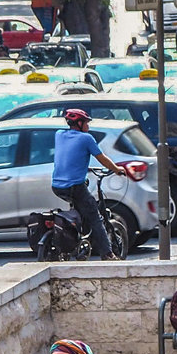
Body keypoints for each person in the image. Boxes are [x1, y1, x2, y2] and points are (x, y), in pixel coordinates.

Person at [51, 108, 127, 261]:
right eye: (86, 122)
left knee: (80, 206)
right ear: (79, 123)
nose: (88, 126)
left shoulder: (59, 135)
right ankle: (107, 254)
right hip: (74, 186)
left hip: (57, 186)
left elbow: (69, 156)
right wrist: (117, 169)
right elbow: (102, 158)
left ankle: (77, 240)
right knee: (95, 217)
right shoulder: (86, 138)